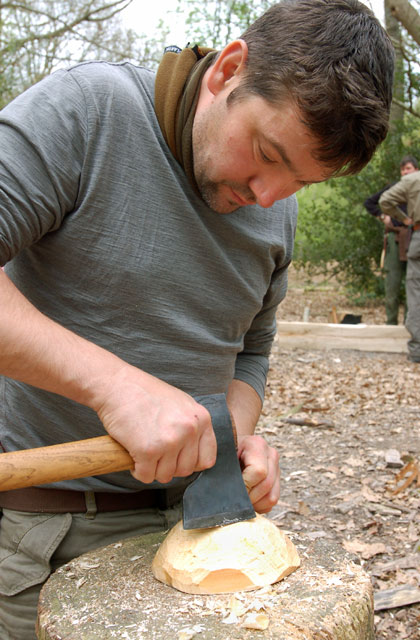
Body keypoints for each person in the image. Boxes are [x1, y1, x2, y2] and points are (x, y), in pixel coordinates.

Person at [0, 0, 394, 637]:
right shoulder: (87, 111)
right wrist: (114, 387)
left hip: (206, 531)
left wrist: (231, 440)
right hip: (53, 530)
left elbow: (251, 353)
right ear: (229, 69)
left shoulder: (273, 206)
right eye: (266, 153)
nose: (266, 198)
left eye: (298, 183)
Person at [364, 156, 418, 324]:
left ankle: (410, 325)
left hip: (414, 236)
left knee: (414, 286)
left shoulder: (416, 185)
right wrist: (383, 216)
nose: (405, 172)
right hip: (396, 238)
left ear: (415, 170)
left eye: (408, 168)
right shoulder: (396, 187)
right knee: (392, 284)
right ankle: (391, 323)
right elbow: (371, 202)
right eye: (403, 169)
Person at [379, 166, 420, 363]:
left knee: (416, 292)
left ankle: (417, 350)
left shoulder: (412, 180)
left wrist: (404, 219)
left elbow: (384, 201)